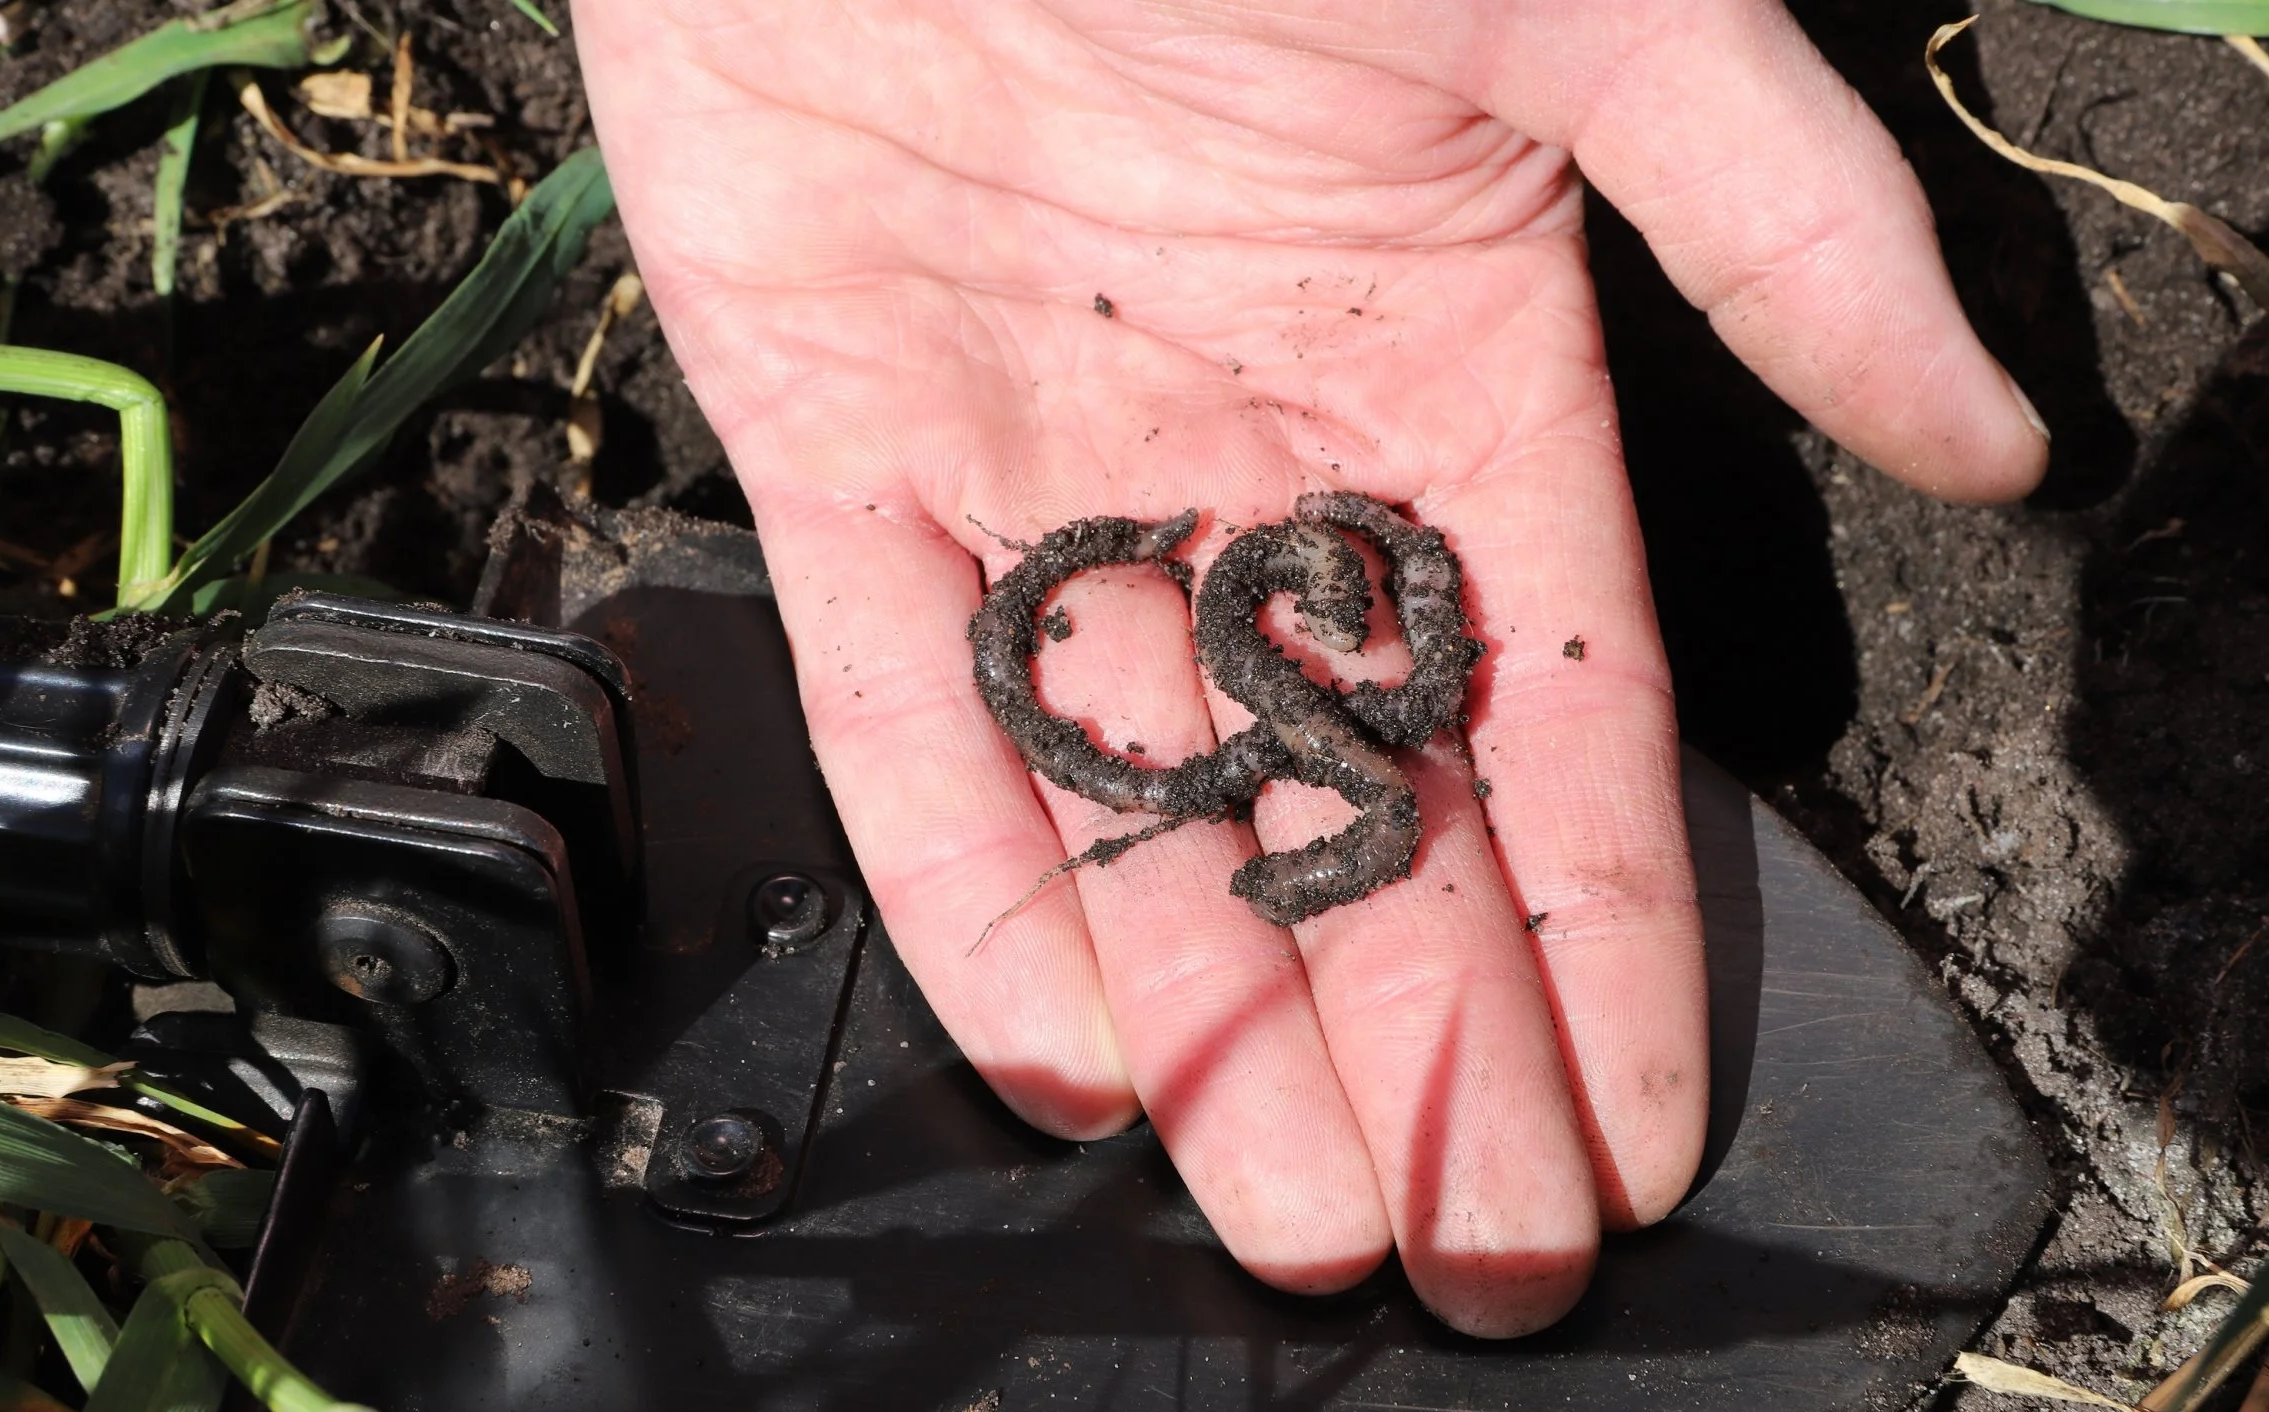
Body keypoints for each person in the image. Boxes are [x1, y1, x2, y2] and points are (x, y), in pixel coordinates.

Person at [570, 0, 2048, 1338]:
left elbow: (1368, 689)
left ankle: (1293, 866)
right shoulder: (1294, 660)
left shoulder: (1351, 678)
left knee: (1366, 802)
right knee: (1338, 809)